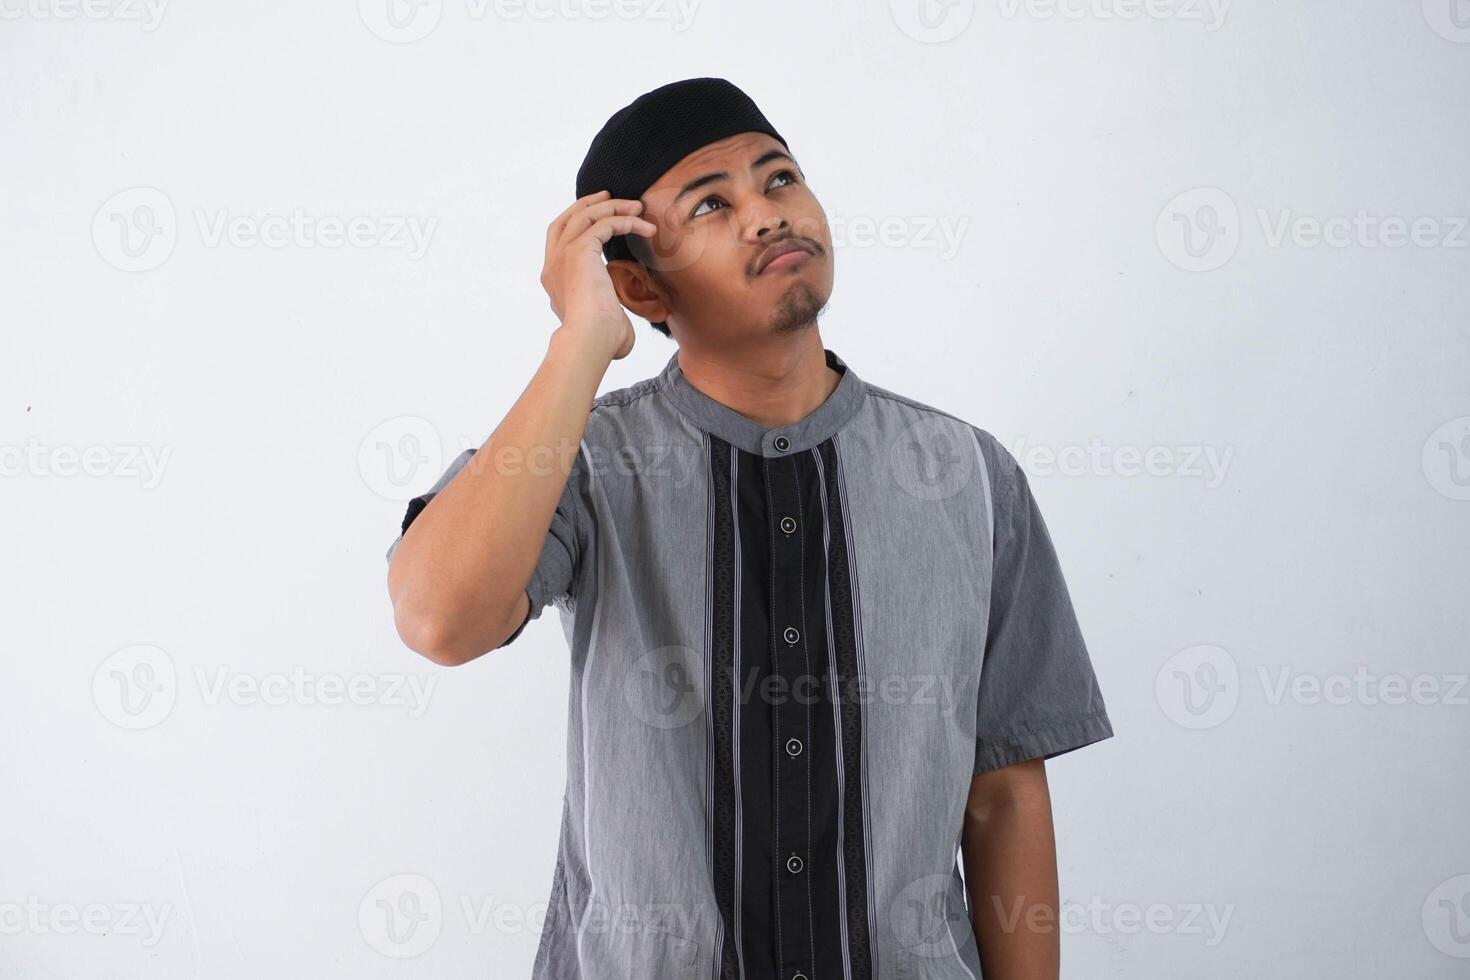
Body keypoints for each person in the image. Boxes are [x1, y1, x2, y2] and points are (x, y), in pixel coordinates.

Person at [385, 76, 1113, 980]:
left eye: (779, 180)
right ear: (640, 287)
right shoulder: (583, 464)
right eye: (711, 205)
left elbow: (1004, 793)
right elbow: (438, 618)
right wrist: (580, 339)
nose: (766, 216)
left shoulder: (967, 474)